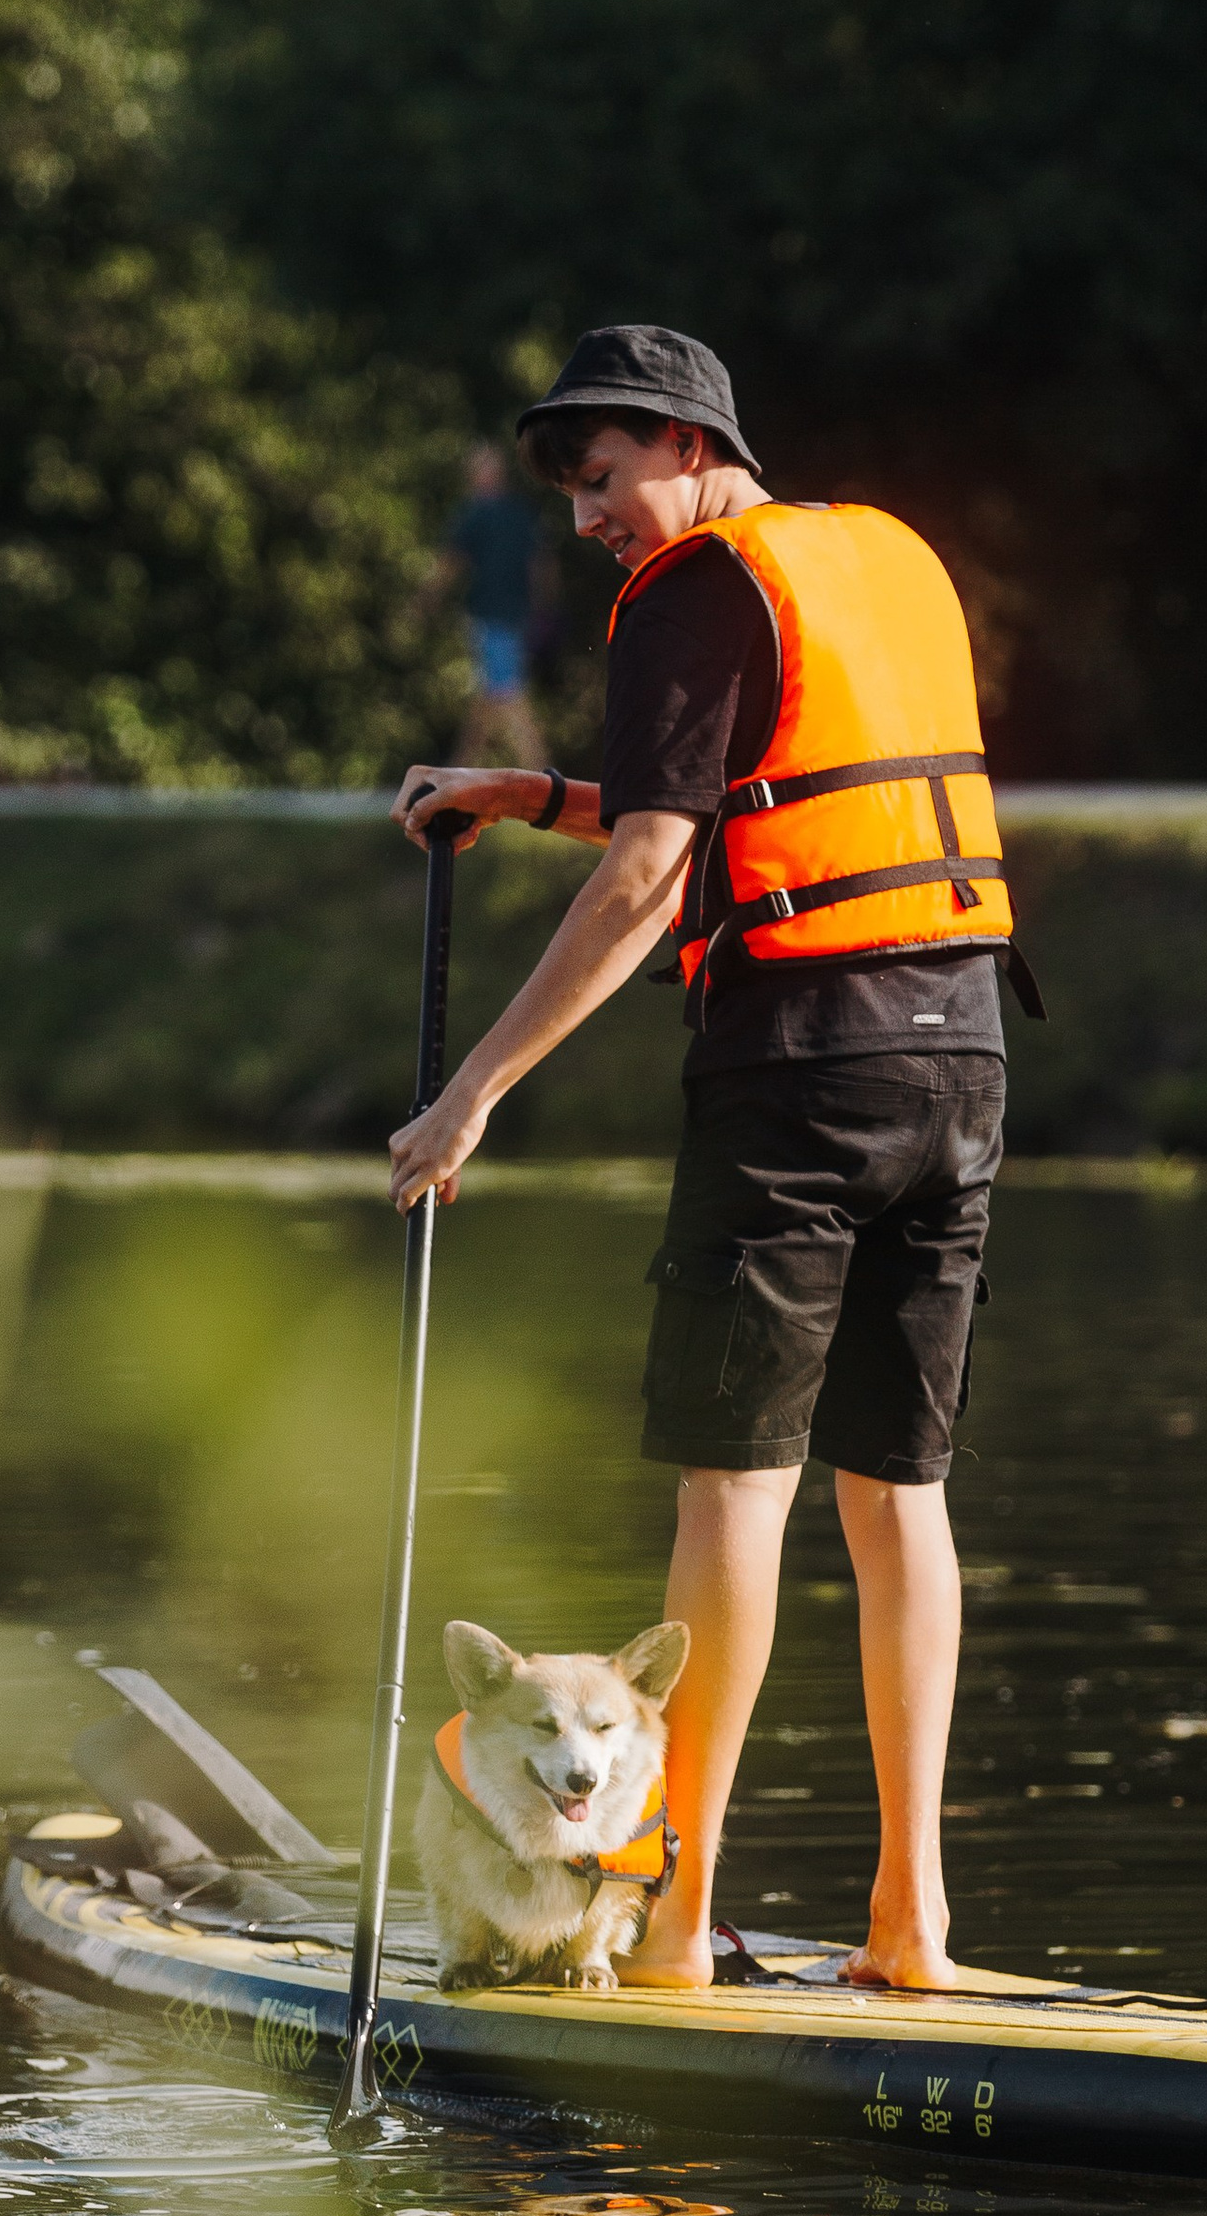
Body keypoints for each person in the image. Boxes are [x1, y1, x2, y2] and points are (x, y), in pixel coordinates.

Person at [387, 325, 1041, 1994]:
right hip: (962, 1055)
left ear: (684, 446)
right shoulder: (885, 557)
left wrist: (473, 1091)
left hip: (804, 1070)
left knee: (732, 1488)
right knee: (902, 1495)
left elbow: (659, 871)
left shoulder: (694, 584)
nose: (592, 518)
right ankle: (915, 1929)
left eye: (602, 479)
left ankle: (669, 1925)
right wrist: (533, 791)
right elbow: (782, 797)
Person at [439, 442, 547, 768]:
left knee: (508, 693)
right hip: (507, 613)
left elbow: (450, 563)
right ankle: (460, 769)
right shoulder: (515, 513)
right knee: (489, 695)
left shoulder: (478, 513)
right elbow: (540, 563)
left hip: (494, 614)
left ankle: (544, 774)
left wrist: (424, 600)